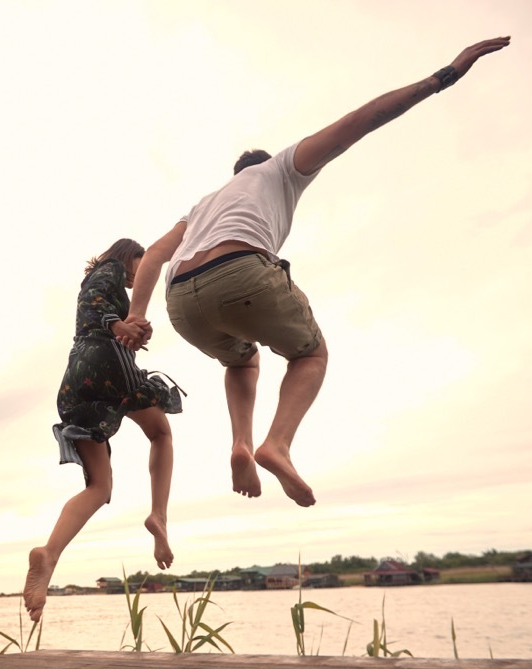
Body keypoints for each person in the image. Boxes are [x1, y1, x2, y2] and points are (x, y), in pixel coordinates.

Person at [122, 37, 512, 507]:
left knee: (242, 359)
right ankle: (276, 444)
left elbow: (153, 256)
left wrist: (135, 316)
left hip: (181, 301)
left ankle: (240, 443)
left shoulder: (202, 205)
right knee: (311, 355)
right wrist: (442, 77)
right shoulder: (280, 168)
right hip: (240, 271)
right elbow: (357, 123)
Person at [23, 238, 183, 623]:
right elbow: (94, 304)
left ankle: (49, 554)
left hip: (77, 381)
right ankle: (158, 515)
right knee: (160, 435)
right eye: (137, 266)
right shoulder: (106, 271)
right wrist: (120, 324)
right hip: (103, 363)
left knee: (99, 488)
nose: (135, 276)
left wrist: (131, 329)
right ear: (127, 256)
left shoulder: (111, 286)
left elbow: (102, 314)